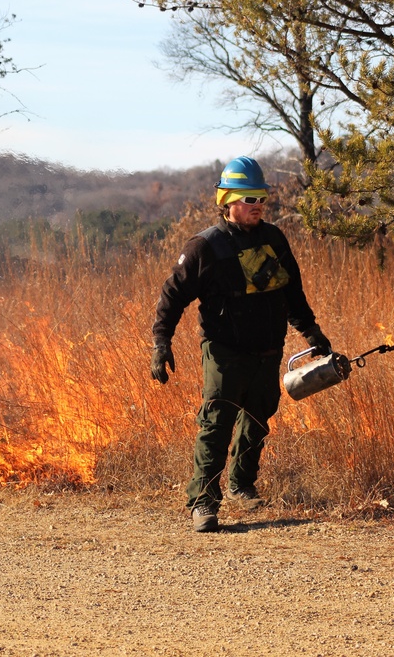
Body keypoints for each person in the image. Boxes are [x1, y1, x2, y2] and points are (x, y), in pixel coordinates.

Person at [150, 156, 334, 533]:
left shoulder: (274, 239)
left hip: (269, 349)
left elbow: (292, 293)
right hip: (224, 351)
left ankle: (241, 484)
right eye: (249, 199)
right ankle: (203, 502)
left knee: (259, 416)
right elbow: (172, 295)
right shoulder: (206, 246)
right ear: (228, 201)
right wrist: (161, 342)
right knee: (217, 422)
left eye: (261, 198)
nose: (257, 206)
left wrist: (312, 334)